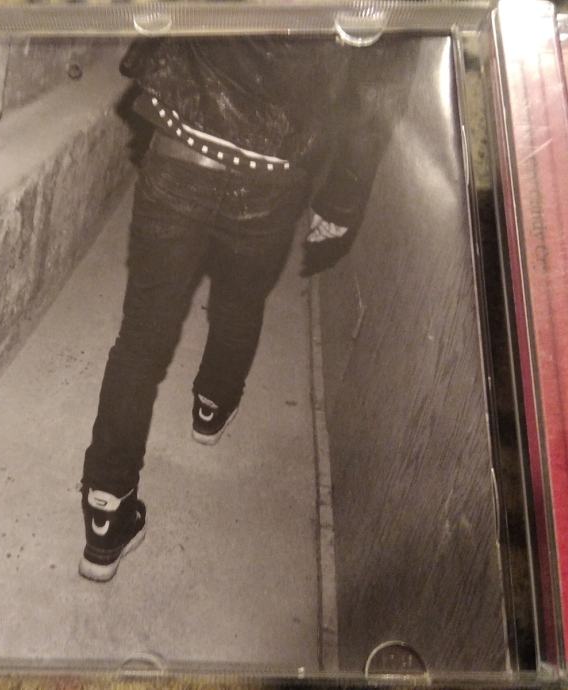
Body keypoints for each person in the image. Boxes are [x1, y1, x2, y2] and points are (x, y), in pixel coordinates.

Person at [78, 35, 360, 582]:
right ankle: (210, 408)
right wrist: (343, 193)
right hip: (272, 170)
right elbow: (377, 68)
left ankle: (106, 510)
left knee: (141, 337)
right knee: (239, 301)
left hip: (182, 144)